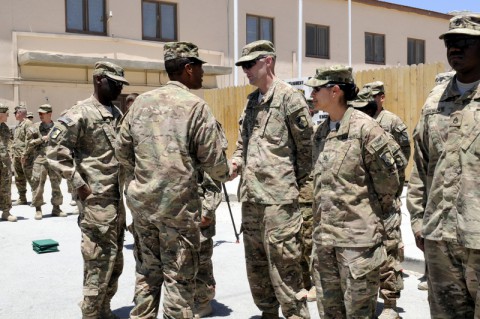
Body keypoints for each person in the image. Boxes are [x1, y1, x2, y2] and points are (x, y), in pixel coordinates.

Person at [115, 41, 230, 319]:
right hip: (178, 212)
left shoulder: (140, 102)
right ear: (188, 69)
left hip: (143, 208)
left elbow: (121, 149)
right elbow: (214, 162)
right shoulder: (195, 107)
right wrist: (227, 172)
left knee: (146, 275)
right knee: (179, 280)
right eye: (200, 68)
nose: (203, 74)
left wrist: (143, 178)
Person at [307, 65, 406, 318]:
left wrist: (373, 227)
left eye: (317, 89)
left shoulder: (366, 129)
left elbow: (389, 185)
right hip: (325, 242)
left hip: (357, 246)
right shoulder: (320, 133)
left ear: (335, 91)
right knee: (330, 313)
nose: (312, 95)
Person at [230, 40, 313, 319]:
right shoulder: (252, 102)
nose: (246, 71)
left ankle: (296, 315)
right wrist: (235, 162)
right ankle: (268, 313)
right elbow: (243, 143)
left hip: (279, 203)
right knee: (257, 269)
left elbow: (307, 151)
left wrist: (298, 194)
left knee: (286, 268)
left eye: (250, 64)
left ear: (268, 61)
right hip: (251, 200)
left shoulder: (290, 98)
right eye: (243, 66)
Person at [407, 13, 480, 318]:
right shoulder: (435, 101)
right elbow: (422, 166)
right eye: (450, 42)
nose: (455, 48)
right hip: (440, 238)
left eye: (464, 41)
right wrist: (418, 221)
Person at [47, 61, 129, 319]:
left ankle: (104, 309)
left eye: (120, 84)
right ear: (98, 80)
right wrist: (79, 185)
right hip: (95, 203)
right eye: (114, 83)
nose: (118, 88)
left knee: (115, 264)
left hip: (116, 201)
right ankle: (91, 314)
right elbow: (55, 152)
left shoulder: (115, 113)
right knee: (97, 262)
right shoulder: (79, 114)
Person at [356, 82, 411, 319]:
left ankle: (390, 303)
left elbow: (402, 157)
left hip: (387, 197)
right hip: (365, 200)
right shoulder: (356, 124)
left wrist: (393, 184)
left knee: (389, 252)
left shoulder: (391, 122)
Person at [24, 104, 66, 220]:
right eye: (39, 113)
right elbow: (28, 143)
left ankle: (56, 208)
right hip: (40, 160)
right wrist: (41, 139)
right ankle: (38, 209)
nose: (40, 115)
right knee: (37, 185)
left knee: (56, 184)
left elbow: (64, 142)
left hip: (54, 159)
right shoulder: (35, 127)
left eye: (42, 113)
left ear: (49, 114)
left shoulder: (58, 127)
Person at [194, 171, 222, 317]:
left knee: (201, 260)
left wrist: (207, 212)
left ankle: (203, 301)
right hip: (178, 211)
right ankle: (191, 299)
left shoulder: (204, 148)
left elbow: (214, 182)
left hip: (199, 211)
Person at [12, 105, 34, 205]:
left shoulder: (28, 124)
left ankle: (36, 198)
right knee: (19, 178)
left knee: (31, 177)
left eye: (15, 113)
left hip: (26, 156)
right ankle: (22, 198)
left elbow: (29, 140)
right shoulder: (18, 125)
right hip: (17, 156)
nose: (14, 115)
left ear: (20, 113)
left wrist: (25, 154)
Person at [0, 104, 17, 222]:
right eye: (6, 114)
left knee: (6, 187)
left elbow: (10, 143)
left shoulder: (5, 128)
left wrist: (10, 154)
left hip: (5, 163)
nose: (8, 116)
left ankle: (6, 212)